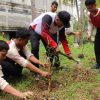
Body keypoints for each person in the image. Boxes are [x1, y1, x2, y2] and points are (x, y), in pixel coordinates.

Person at [85, 0, 100, 69]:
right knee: (97, 47)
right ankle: (98, 64)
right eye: (88, 8)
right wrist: (89, 34)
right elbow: (90, 24)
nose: (89, 10)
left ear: (95, 5)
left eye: (90, 8)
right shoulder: (89, 14)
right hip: (99, 30)